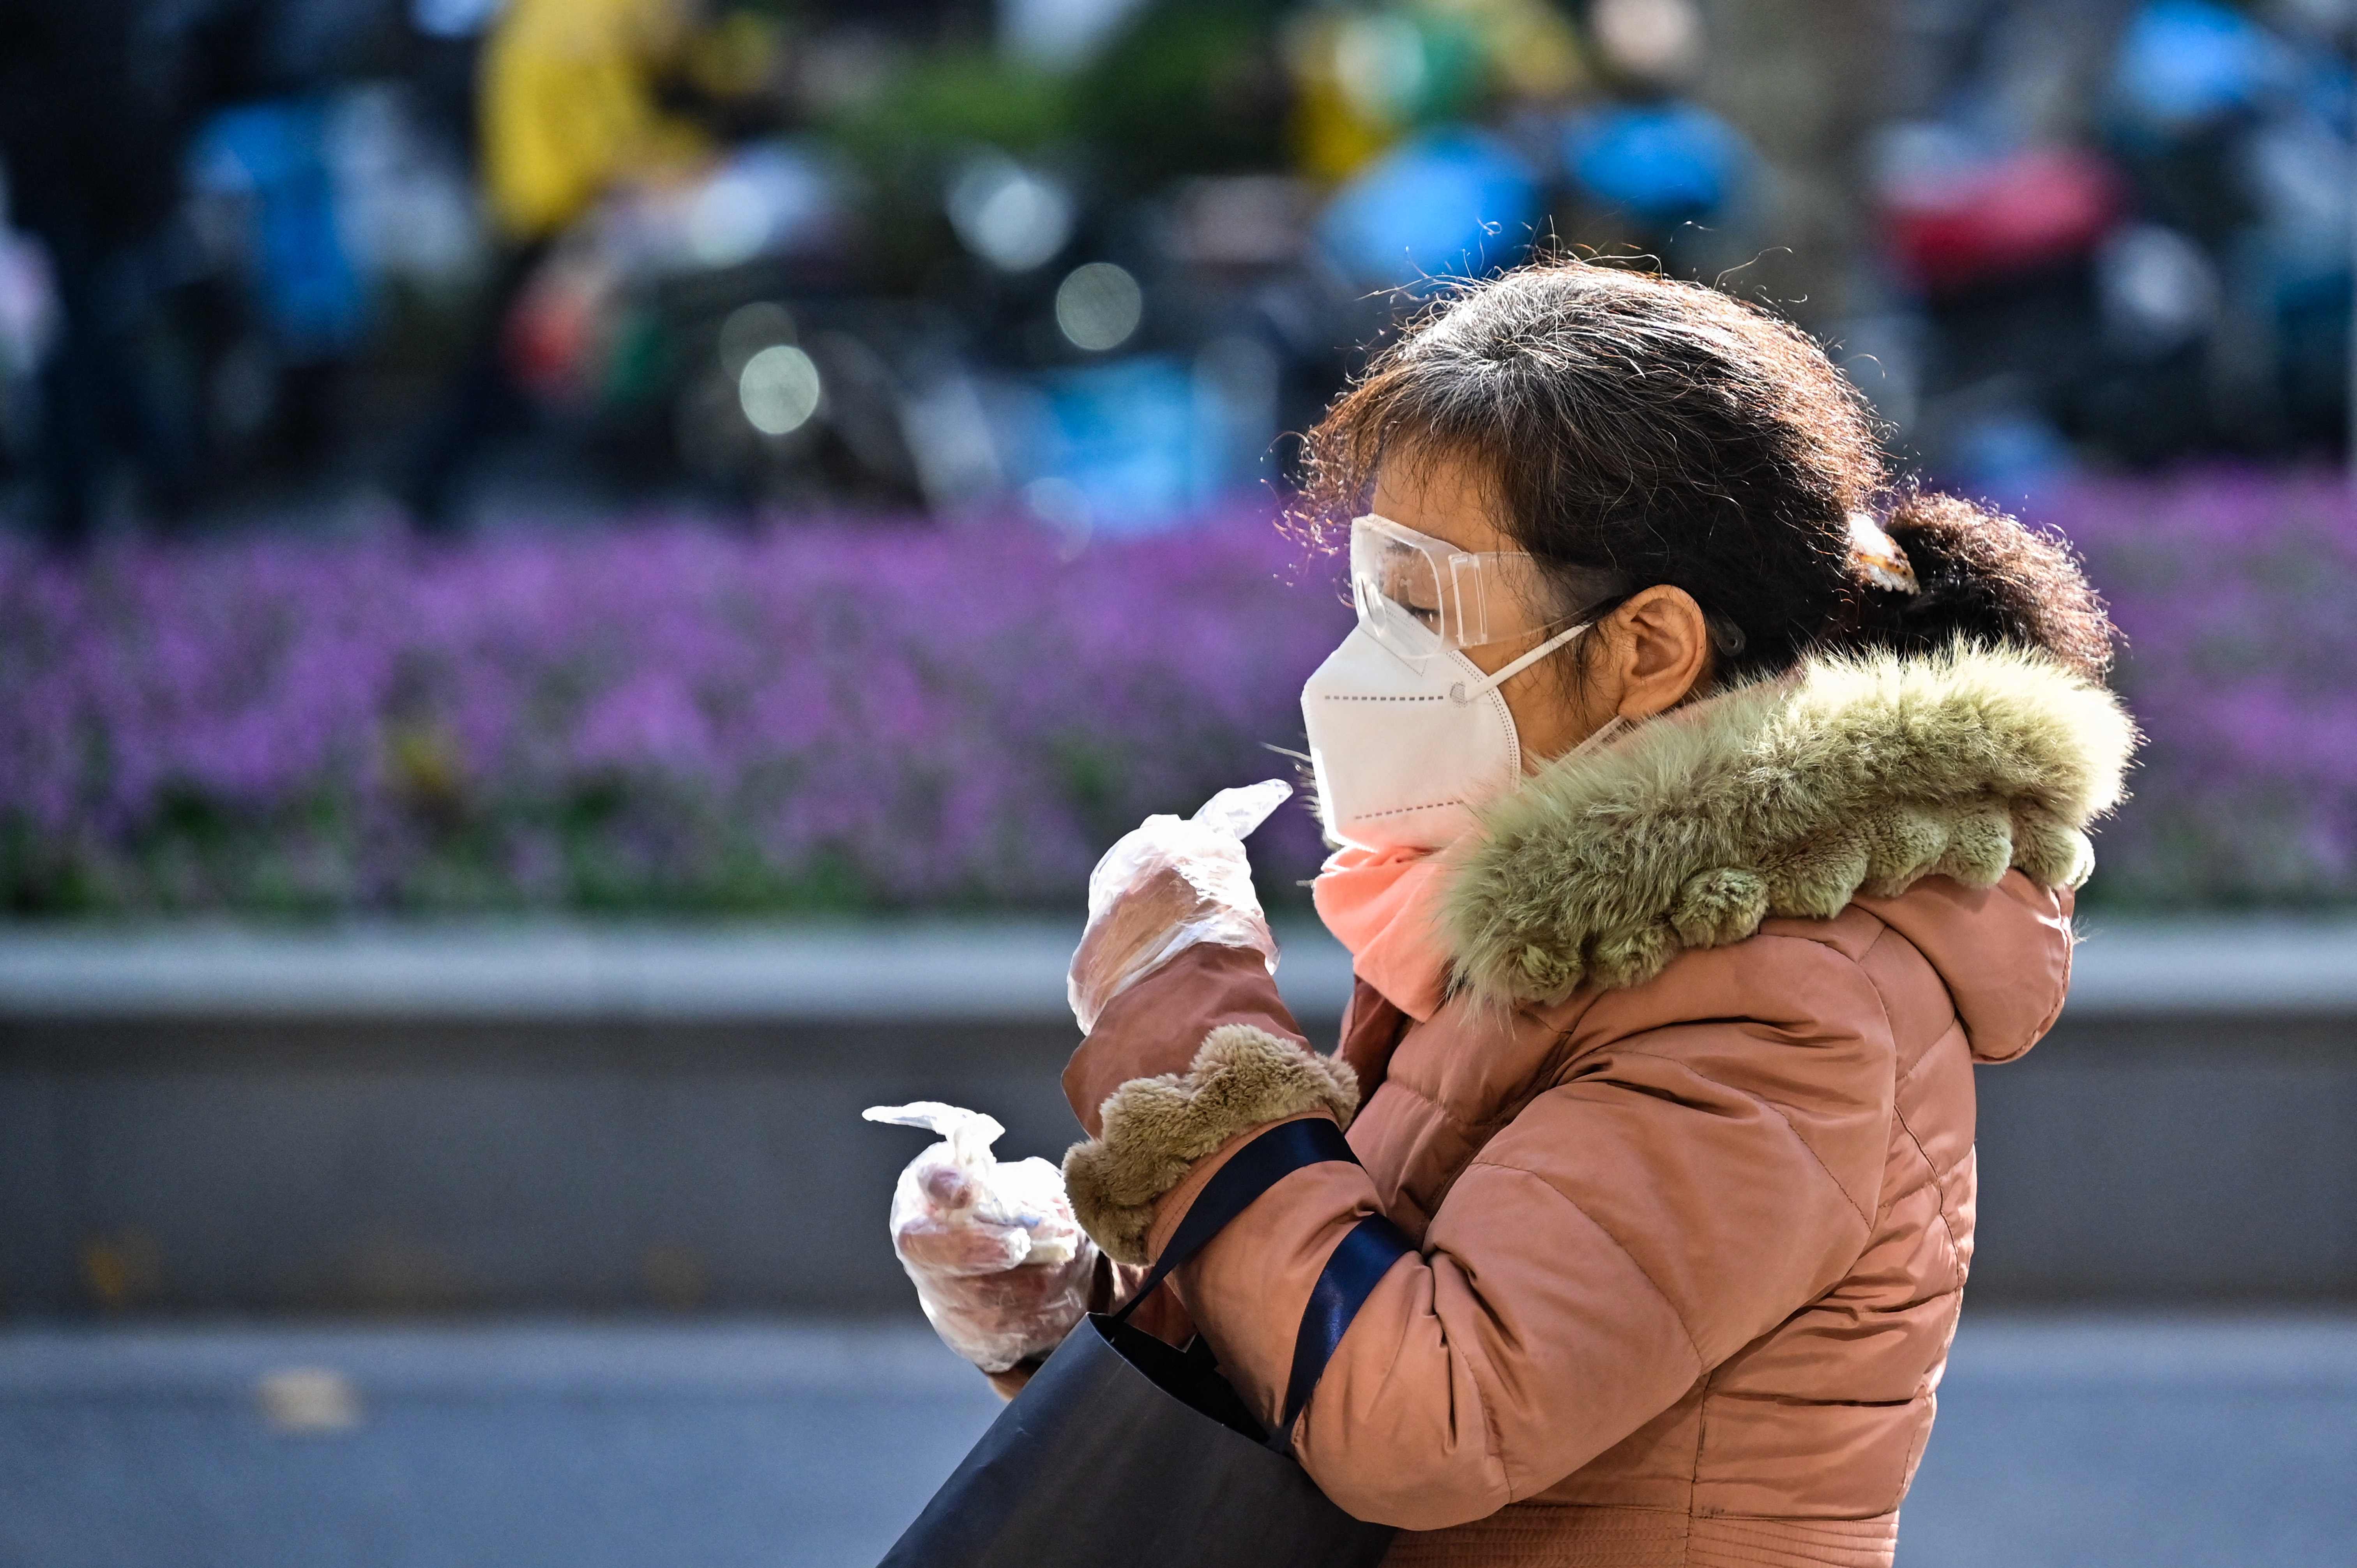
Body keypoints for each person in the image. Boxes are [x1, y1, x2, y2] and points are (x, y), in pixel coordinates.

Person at [888, 260, 2134, 1567]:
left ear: (1650, 648)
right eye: (1374, 592)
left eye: (1427, 606)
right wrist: (1073, 1304)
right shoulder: (1569, 918)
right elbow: (1364, 1306)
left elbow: (1424, 1422)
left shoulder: (1781, 987)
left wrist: (1191, 1034)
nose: (1372, 654)